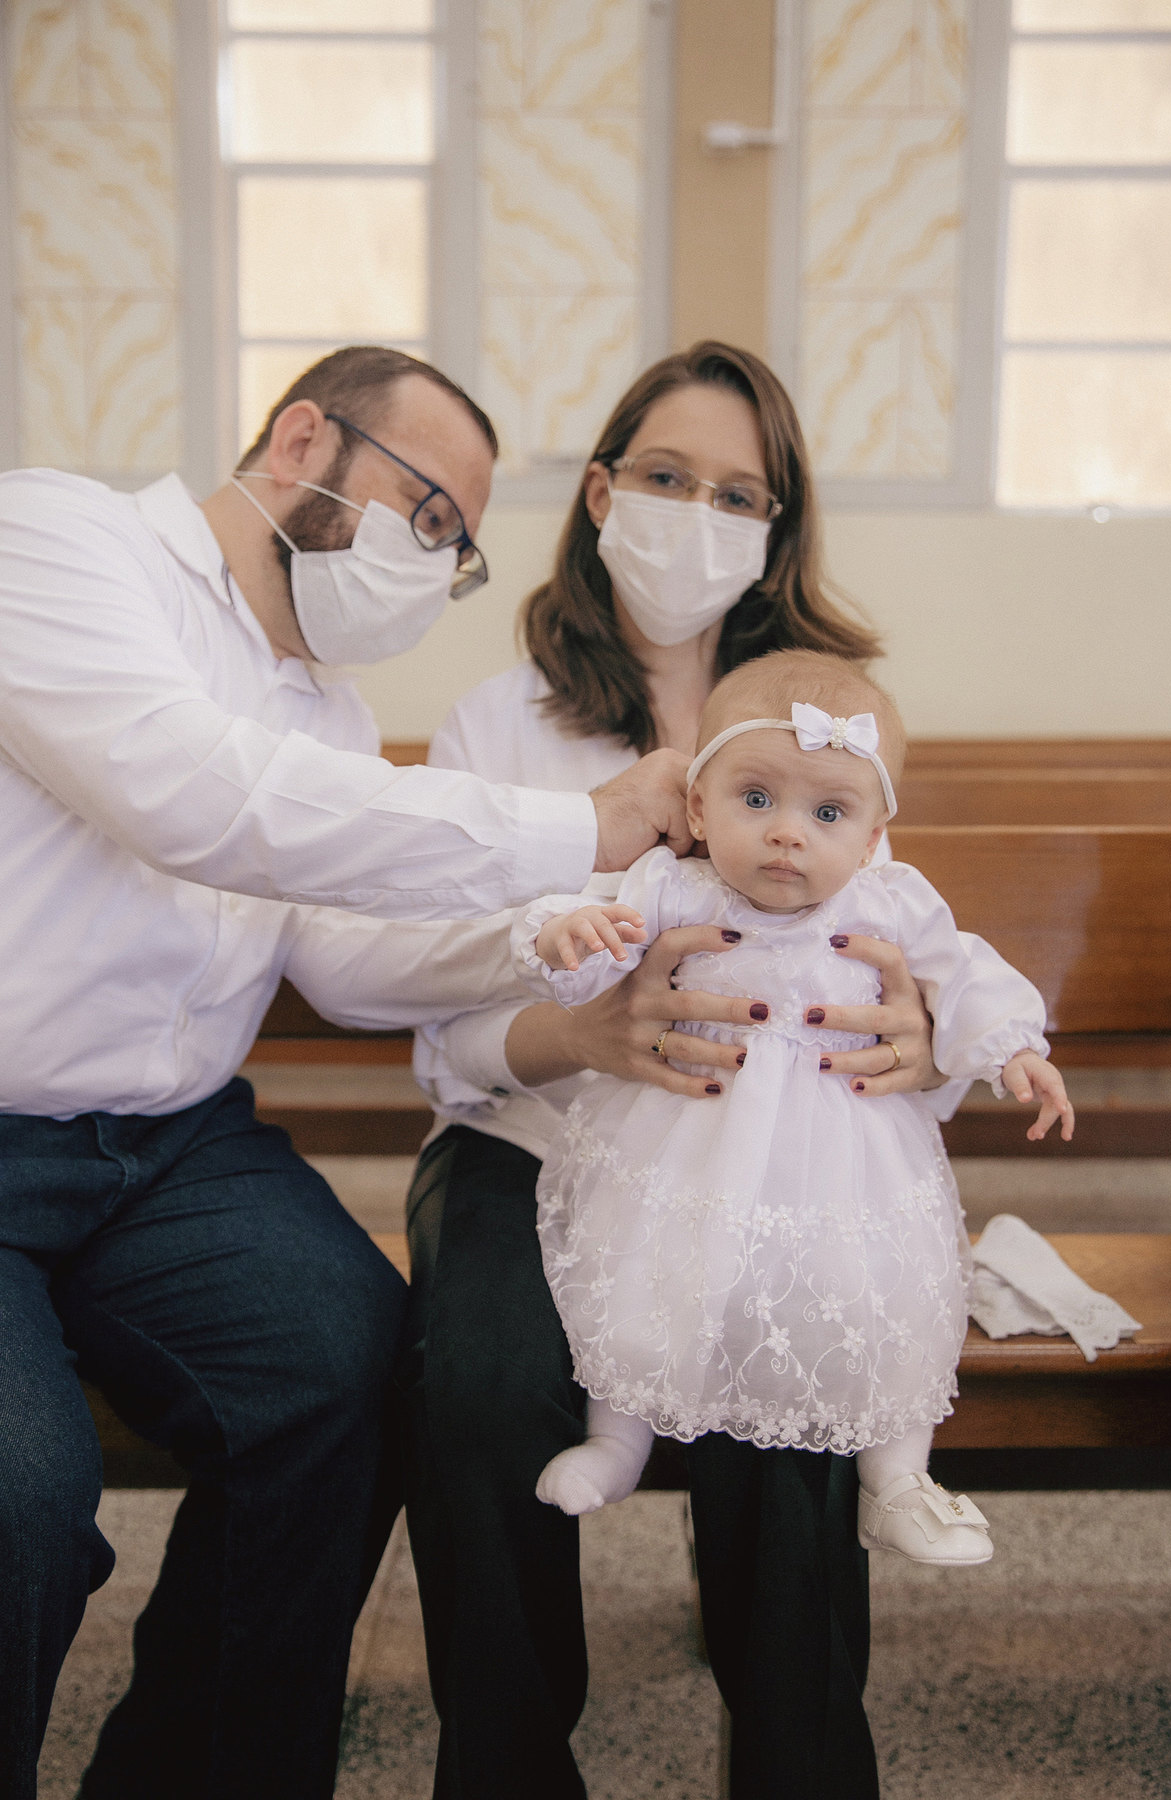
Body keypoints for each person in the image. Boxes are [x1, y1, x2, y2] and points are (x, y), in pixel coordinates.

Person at [0, 344, 694, 1800]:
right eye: (424, 507)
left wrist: (558, 931)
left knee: (352, 1363)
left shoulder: (317, 709)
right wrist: (577, 827)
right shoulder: (59, 539)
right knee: (20, 1495)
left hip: (165, 1148)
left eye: (456, 543)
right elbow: (189, 795)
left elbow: (351, 961)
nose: (431, 560)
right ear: (304, 435)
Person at [402, 343, 955, 1799]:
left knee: (790, 1387)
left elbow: (896, 957)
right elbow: (440, 1027)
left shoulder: (828, 720)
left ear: (776, 527)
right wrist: (577, 1032)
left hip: (774, 1147)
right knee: (483, 1384)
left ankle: (802, 1764)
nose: (698, 511)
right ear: (600, 493)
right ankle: (511, 1768)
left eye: (739, 492)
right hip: (535, 1132)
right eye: (666, 477)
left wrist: (926, 1043)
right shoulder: (500, 726)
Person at [523, 648, 1073, 1565]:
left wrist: (1014, 1048)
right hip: (688, 1147)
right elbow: (590, 954)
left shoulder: (890, 902)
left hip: (845, 1165)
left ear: (870, 838)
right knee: (647, 1279)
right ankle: (619, 1442)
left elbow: (966, 973)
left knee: (877, 1303)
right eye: (756, 800)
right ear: (697, 806)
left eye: (827, 812)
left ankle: (896, 1477)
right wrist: (568, 934)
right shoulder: (670, 886)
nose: (788, 834)